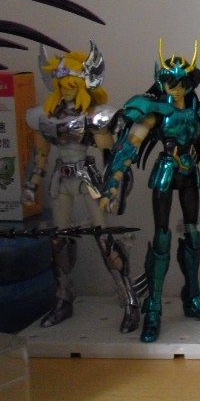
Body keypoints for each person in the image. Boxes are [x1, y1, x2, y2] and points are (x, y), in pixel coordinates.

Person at [100, 41, 200, 343]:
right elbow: (130, 146)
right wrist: (114, 182)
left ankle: (192, 297)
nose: (176, 88)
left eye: (182, 82)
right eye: (170, 81)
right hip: (165, 173)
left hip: (189, 175)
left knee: (193, 233)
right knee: (161, 236)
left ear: (191, 83)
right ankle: (154, 307)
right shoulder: (155, 111)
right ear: (162, 82)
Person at [23, 43, 143, 333]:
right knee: (59, 240)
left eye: (71, 85)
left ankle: (128, 299)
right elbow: (40, 155)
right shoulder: (45, 117)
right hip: (61, 179)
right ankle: (64, 298)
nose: (66, 90)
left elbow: (111, 156)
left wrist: (114, 188)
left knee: (105, 238)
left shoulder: (95, 116)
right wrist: (31, 184)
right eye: (62, 85)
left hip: (88, 178)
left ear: (83, 86)